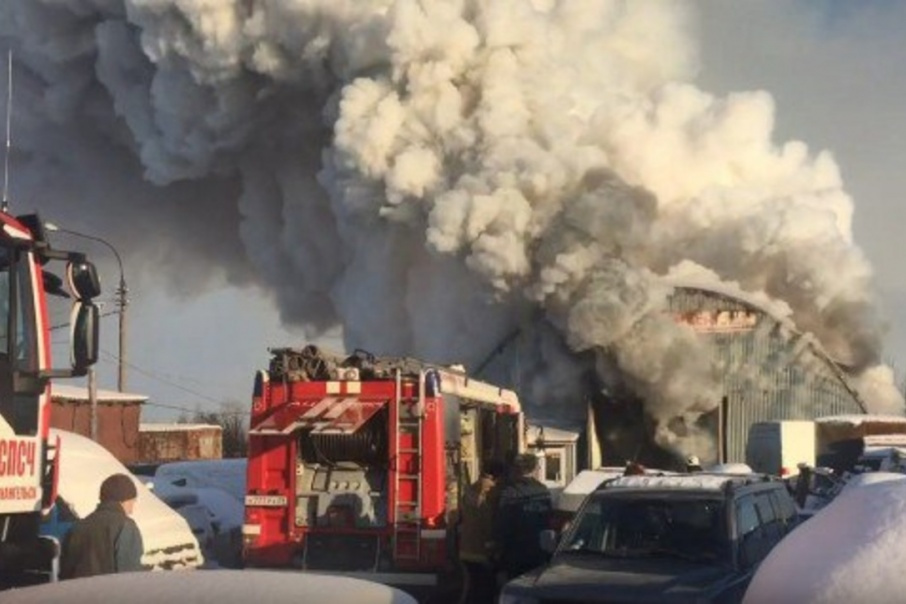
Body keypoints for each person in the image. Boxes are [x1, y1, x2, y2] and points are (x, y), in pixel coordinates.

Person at [60, 473, 145, 579]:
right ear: (123, 500)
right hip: (110, 593)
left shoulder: (79, 527)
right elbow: (130, 575)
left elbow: (65, 573)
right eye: (132, 502)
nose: (132, 510)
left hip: (79, 594)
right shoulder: (125, 526)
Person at [494, 453, 553, 581]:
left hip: (515, 553)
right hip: (539, 551)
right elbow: (548, 521)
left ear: (517, 469)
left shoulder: (510, 492)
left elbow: (503, 525)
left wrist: (498, 553)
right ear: (535, 469)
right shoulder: (543, 491)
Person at [458, 459, 505, 604]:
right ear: (498, 476)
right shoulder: (493, 492)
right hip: (482, 551)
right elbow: (488, 525)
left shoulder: (470, 489)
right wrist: (494, 549)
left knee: (471, 588)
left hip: (465, 548)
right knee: (486, 590)